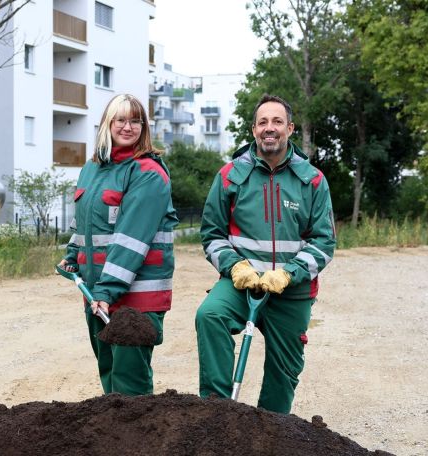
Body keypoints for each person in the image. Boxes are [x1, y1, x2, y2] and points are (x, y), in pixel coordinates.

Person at [195, 94, 336, 414]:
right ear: (254, 130)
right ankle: (216, 413)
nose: (269, 128)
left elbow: (324, 242)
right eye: (262, 122)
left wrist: (289, 273)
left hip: (291, 290)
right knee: (210, 315)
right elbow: (212, 234)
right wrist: (235, 267)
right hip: (240, 283)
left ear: (290, 128)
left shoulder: (313, 181)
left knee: (283, 374)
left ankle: (271, 430)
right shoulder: (230, 176)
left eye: (277, 121)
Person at [58, 93, 177, 396]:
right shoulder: (91, 169)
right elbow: (85, 224)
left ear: (144, 127)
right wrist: (72, 255)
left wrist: (106, 291)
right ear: (107, 124)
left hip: (137, 297)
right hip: (98, 292)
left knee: (130, 387)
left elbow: (131, 240)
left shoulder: (148, 173)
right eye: (120, 119)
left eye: (135, 121)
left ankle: (141, 430)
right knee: (109, 377)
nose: (128, 127)